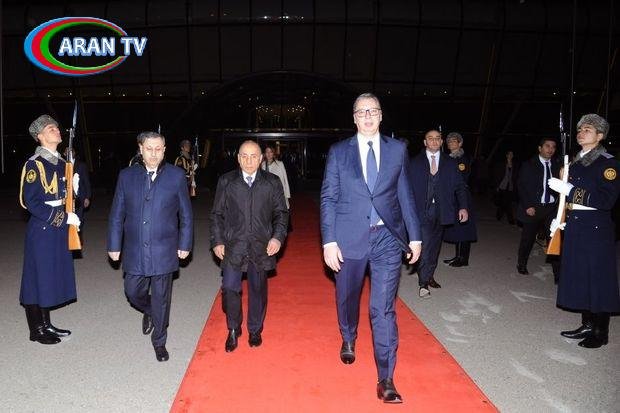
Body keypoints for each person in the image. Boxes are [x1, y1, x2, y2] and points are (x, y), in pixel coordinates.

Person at [320, 93, 421, 403]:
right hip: (349, 237)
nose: (367, 116)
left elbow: (405, 194)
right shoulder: (339, 152)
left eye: (372, 111)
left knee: (383, 309)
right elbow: (329, 198)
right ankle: (348, 336)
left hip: (387, 238)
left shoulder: (397, 150)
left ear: (380, 115)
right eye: (361, 112)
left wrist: (415, 236)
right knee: (347, 297)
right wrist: (329, 241)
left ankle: (386, 378)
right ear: (354, 118)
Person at [107, 131, 193, 362]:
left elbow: (186, 214)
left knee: (162, 297)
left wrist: (185, 243)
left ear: (164, 150)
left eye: (158, 149)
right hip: (135, 248)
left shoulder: (176, 176)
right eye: (149, 149)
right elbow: (117, 214)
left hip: (164, 248)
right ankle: (150, 310)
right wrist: (114, 244)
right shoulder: (126, 176)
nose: (154, 154)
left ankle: (159, 342)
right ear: (140, 149)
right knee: (132, 291)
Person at [548, 114, 620, 348]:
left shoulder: (608, 164)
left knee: (598, 279)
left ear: (600, 135)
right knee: (581, 276)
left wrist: (569, 190)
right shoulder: (577, 162)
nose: (581, 133)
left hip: (595, 228)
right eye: (580, 130)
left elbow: (606, 200)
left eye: (587, 130)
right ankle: (587, 324)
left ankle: (600, 332)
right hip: (576, 225)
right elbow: (566, 198)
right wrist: (560, 218)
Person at [210, 140, 288, 353]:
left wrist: (277, 238)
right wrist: (217, 240)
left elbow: (281, 213)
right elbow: (217, 214)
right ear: (238, 158)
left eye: (254, 156)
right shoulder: (227, 181)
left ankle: (255, 329)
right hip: (233, 245)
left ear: (261, 158)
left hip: (261, 246)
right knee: (230, 288)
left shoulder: (271, 182)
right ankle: (233, 328)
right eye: (244, 156)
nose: (249, 160)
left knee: (257, 289)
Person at [19, 115, 81, 345]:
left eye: (56, 127)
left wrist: (74, 192)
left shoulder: (62, 163)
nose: (56, 130)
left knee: (48, 276)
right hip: (44, 228)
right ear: (40, 136)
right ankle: (36, 329)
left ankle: (46, 324)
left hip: (59, 228)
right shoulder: (34, 164)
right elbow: (30, 202)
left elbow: (64, 196)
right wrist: (63, 217)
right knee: (36, 279)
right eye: (50, 128)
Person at [410, 130, 468, 297]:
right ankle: (423, 283)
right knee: (426, 246)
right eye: (430, 138)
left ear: (441, 142)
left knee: (435, 246)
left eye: (437, 139)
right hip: (421, 211)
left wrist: (463, 207)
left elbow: (460, 186)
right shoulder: (414, 162)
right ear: (425, 142)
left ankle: (429, 275)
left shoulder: (450, 163)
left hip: (442, 211)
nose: (434, 141)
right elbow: (406, 188)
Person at [515, 138, 561, 277]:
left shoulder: (558, 165)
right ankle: (522, 263)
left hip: (551, 208)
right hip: (534, 207)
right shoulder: (529, 164)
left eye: (553, 147)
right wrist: (528, 205)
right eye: (547, 146)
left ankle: (558, 272)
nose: (550, 149)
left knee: (553, 239)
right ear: (540, 148)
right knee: (528, 239)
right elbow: (521, 186)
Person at [442, 132, 477, 267]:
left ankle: (463, 258)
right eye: (449, 141)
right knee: (457, 228)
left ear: (460, 143)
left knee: (464, 227)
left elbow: (462, 178)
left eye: (454, 141)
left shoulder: (463, 158)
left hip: (462, 196)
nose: (451, 143)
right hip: (453, 196)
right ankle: (458, 256)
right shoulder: (448, 158)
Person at [493, 150, 517, 224]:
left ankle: (499, 216)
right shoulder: (502, 164)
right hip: (502, 185)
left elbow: (515, 176)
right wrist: (497, 185)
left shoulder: (514, 164)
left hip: (510, 186)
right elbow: (497, 175)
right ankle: (510, 219)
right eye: (510, 154)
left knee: (507, 202)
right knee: (505, 202)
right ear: (506, 155)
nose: (511, 155)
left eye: (512, 154)